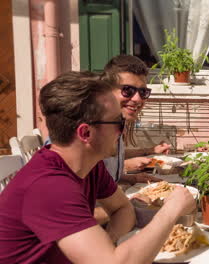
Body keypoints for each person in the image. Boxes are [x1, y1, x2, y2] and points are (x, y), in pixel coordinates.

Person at [0, 71, 196, 263]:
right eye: (118, 122)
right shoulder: (49, 185)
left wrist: (106, 246)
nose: (123, 129)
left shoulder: (89, 165)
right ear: (85, 133)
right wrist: (171, 210)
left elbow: (122, 208)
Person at [101, 55, 171, 184]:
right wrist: (127, 165)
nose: (137, 99)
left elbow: (110, 171)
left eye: (143, 92)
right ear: (106, 90)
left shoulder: (117, 125)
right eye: (128, 90)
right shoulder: (92, 131)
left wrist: (132, 177)